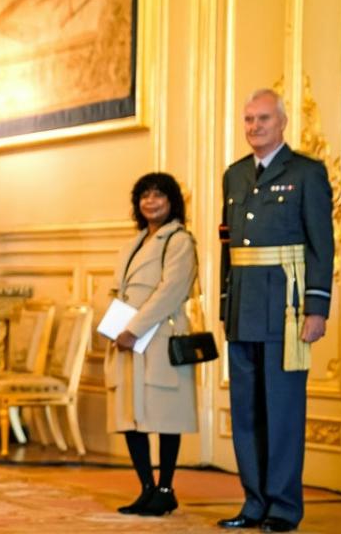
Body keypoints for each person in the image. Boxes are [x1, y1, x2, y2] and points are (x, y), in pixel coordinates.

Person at [218, 89, 333, 533]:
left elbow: (322, 245)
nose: (254, 127)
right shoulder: (234, 175)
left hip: (286, 309)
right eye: (248, 119)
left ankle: (283, 507)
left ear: (282, 122)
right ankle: (254, 503)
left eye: (263, 118)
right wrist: (227, 304)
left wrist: (316, 308)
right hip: (244, 307)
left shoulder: (305, 173)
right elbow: (228, 245)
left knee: (282, 410)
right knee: (246, 411)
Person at [105, 172, 198, 517]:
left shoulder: (179, 241)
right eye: (145, 195)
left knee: (166, 415)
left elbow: (169, 292)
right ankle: (146, 487)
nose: (151, 201)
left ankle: (165, 487)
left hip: (159, 336)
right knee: (131, 416)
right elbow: (119, 289)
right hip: (127, 339)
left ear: (172, 201)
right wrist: (115, 328)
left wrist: (135, 328)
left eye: (158, 195)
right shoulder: (135, 243)